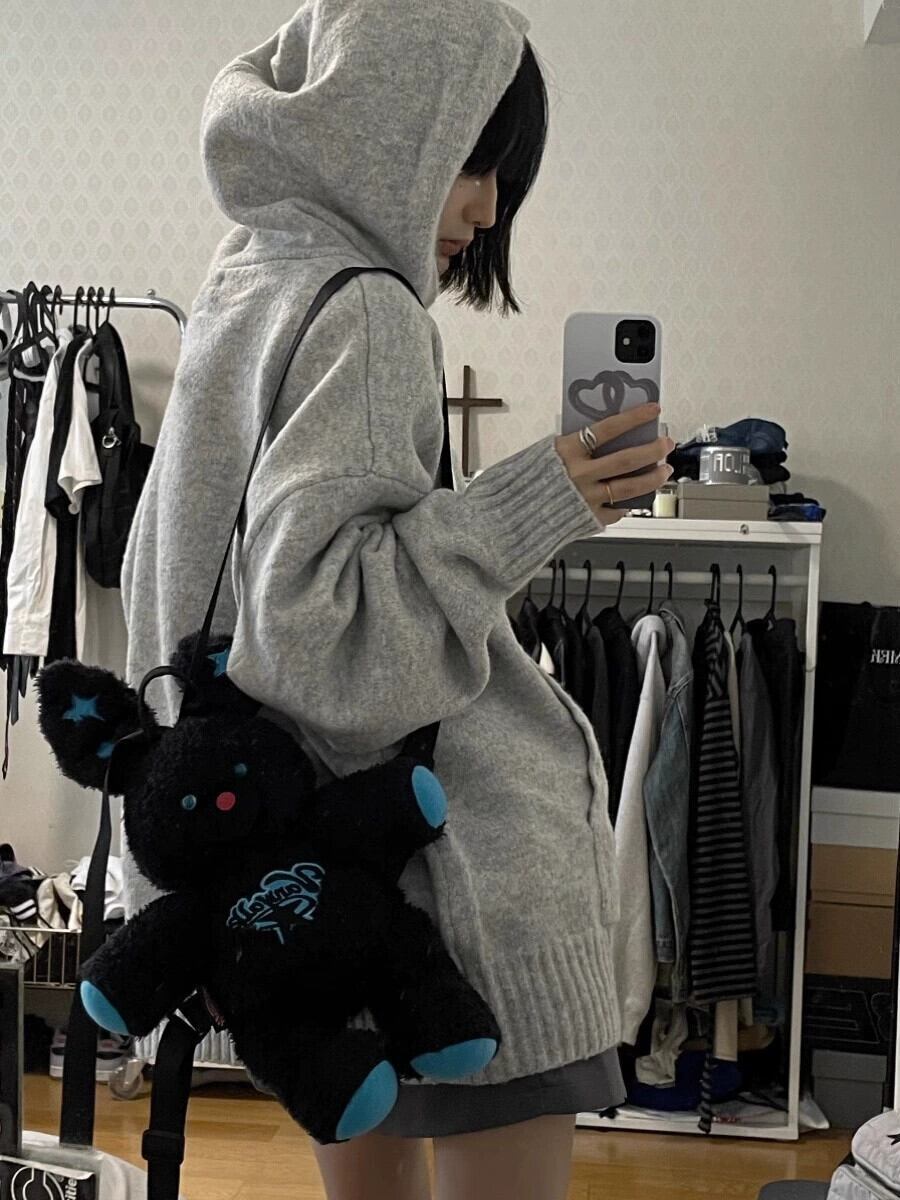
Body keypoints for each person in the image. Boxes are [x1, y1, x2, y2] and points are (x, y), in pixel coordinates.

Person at [119, 2, 674, 1198]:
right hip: (446, 893)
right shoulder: (367, 310)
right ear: (393, 123)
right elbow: (325, 640)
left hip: (301, 886)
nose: (488, 210)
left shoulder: (245, 281)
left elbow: (194, 596)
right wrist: (542, 498)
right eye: (479, 162)